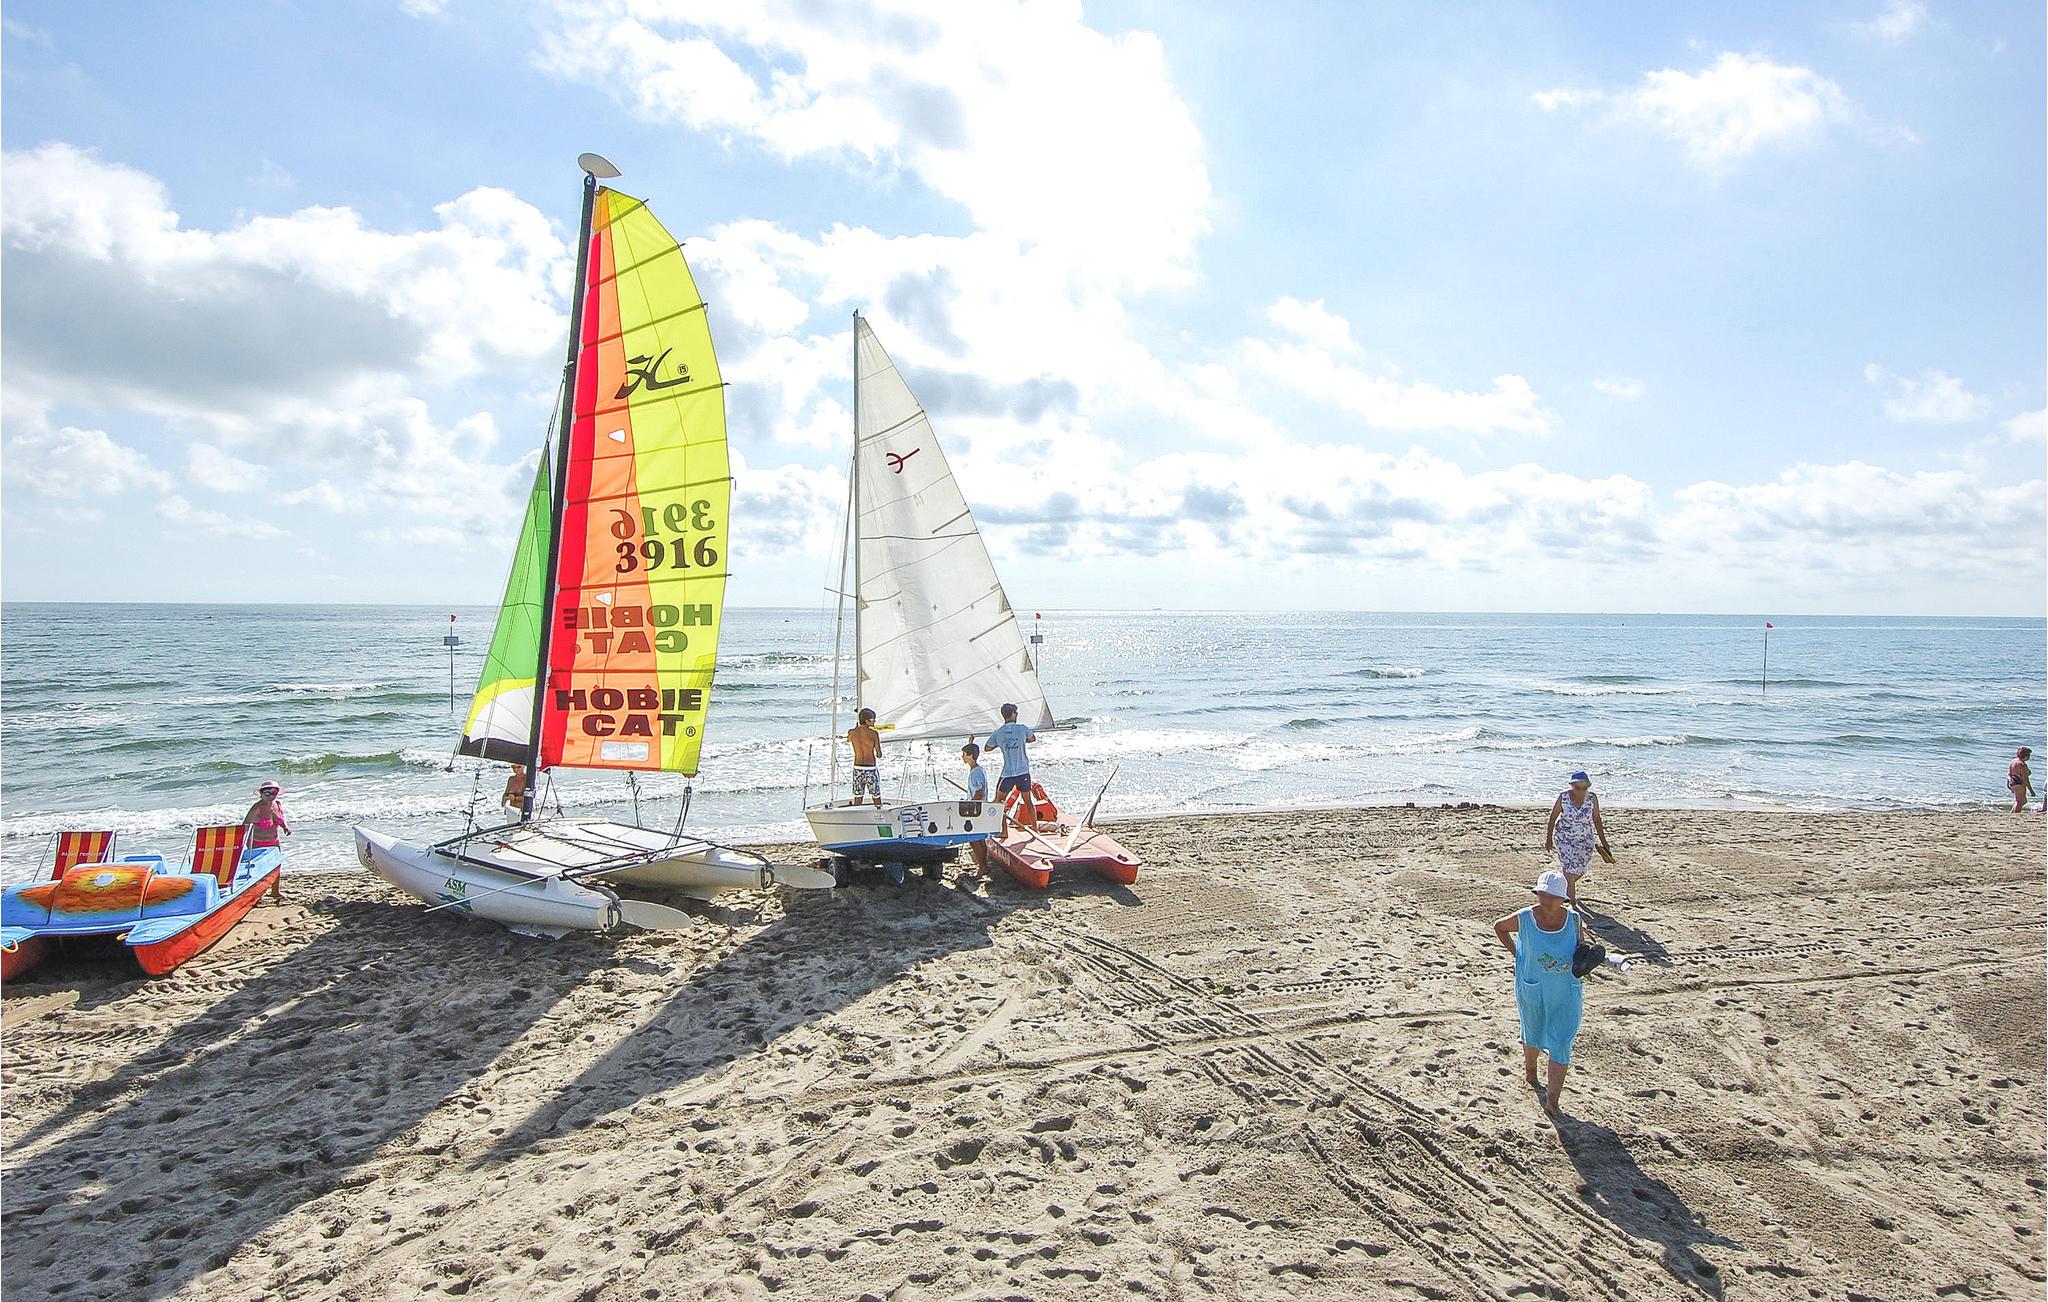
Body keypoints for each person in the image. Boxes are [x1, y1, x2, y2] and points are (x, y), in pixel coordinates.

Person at [1493, 869, 1586, 1115]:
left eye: (1551, 896)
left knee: (1562, 1041)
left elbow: (1581, 947)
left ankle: (1552, 1101)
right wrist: (1518, 954)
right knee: (1532, 1031)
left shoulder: (1574, 920)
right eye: (1542, 894)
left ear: (1562, 899)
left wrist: (1587, 960)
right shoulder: (1525, 918)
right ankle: (1531, 1072)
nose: (1545, 900)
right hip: (1532, 985)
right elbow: (1499, 927)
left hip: (1566, 990)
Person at [1543, 770, 1610, 907]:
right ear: (1572, 786)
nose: (1580, 791)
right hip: (1564, 837)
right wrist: (1548, 838)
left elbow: (1597, 819)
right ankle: (1572, 904)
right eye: (1577, 787)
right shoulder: (1563, 797)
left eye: (1584, 788)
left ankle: (1564, 886)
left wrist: (1604, 842)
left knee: (1579, 870)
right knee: (1569, 869)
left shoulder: (1592, 798)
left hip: (1585, 838)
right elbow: (1553, 818)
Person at [241, 780, 290, 902]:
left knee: (276, 866)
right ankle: (258, 895)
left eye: (274, 793)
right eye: (267, 793)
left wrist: (285, 827)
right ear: (261, 794)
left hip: (274, 841)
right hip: (257, 843)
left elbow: (280, 819)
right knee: (259, 870)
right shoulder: (257, 808)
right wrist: (241, 843)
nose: (271, 796)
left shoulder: (277, 804)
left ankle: (275, 892)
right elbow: (245, 825)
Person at [985, 704, 1039, 812]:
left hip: (1008, 773)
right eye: (1016, 712)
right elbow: (1032, 738)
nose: (1017, 714)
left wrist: (1000, 743)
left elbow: (987, 748)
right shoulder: (1022, 728)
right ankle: (1034, 824)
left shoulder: (998, 733)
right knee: (1028, 802)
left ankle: (1000, 823)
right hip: (1023, 771)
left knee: (999, 802)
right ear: (1013, 714)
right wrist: (1021, 740)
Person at [961, 742, 991, 874]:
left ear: (971, 756)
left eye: (964, 754)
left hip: (976, 808)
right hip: (980, 807)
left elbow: (979, 793)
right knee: (979, 838)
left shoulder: (975, 773)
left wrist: (968, 805)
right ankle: (983, 866)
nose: (962, 757)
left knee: (973, 838)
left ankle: (983, 867)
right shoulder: (978, 769)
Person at [847, 708, 883, 806]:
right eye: (873, 720)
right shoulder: (874, 734)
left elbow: (848, 739)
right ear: (866, 721)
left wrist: (855, 729)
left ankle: (856, 813)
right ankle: (879, 811)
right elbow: (879, 755)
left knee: (858, 796)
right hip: (870, 768)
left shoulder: (852, 733)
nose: (874, 722)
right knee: (876, 796)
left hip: (857, 768)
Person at [2008, 747, 2034, 814]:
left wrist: (2008, 783)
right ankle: (2016, 814)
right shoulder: (2022, 765)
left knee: (2023, 801)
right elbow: (2025, 779)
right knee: (2020, 802)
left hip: (2012, 781)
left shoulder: (2014, 761)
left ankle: (2012, 813)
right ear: (2026, 756)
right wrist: (2031, 790)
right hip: (2018, 782)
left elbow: (2009, 773)